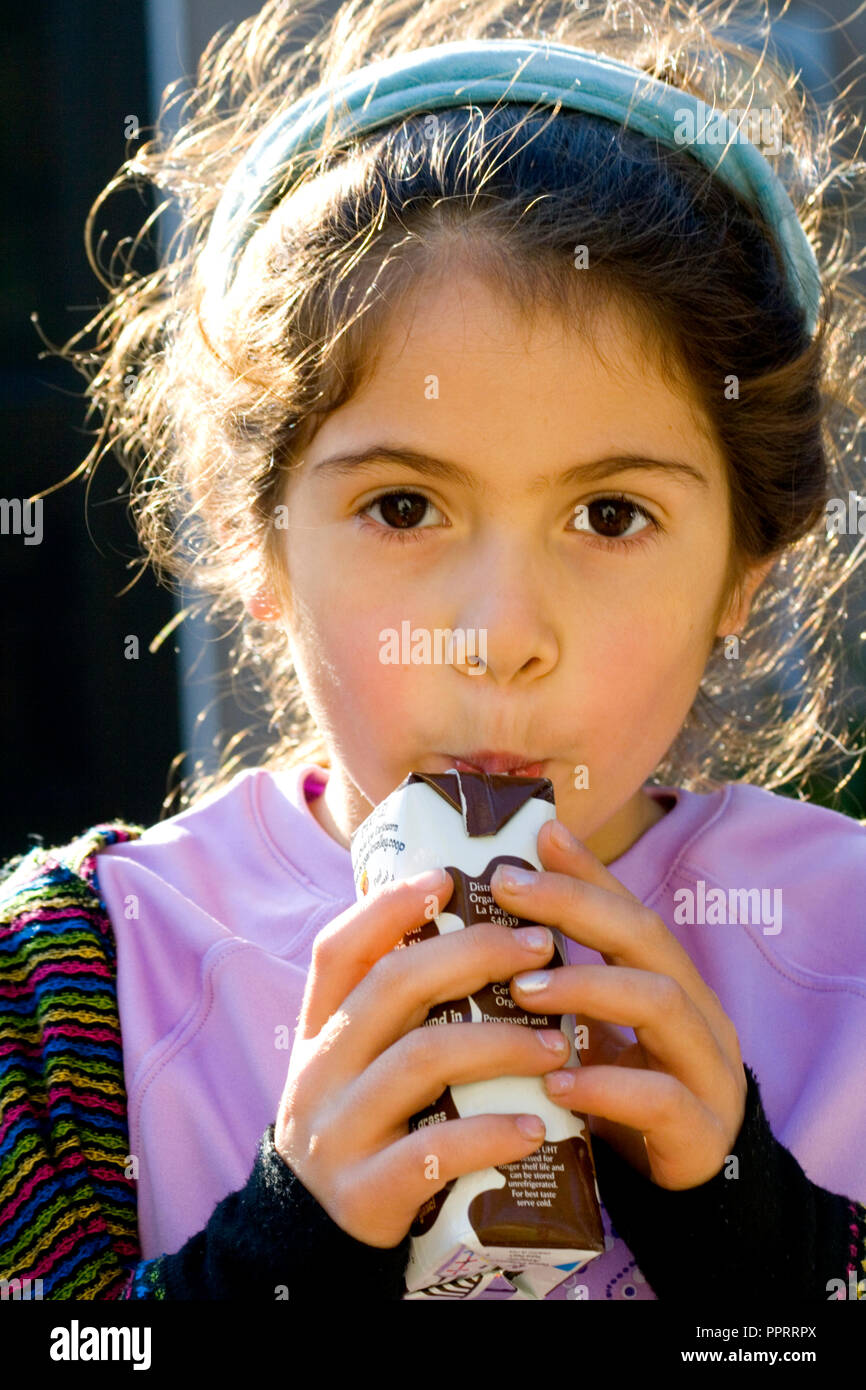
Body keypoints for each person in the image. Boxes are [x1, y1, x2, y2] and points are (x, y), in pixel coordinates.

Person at [2, 0, 866, 1302]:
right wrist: (280, 1253)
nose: (498, 636)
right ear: (260, 542)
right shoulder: (72, 987)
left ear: (743, 565)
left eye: (610, 514)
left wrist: (765, 1251)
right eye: (402, 507)